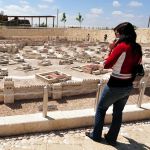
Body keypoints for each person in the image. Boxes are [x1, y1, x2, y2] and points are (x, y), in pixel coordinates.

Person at [85, 22, 143, 146]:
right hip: (128, 86)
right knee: (118, 113)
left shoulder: (122, 46)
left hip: (115, 85)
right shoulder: (137, 48)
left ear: (122, 33)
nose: (115, 35)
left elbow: (107, 64)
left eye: (116, 33)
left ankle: (96, 135)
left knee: (101, 109)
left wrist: (110, 49)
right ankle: (111, 138)